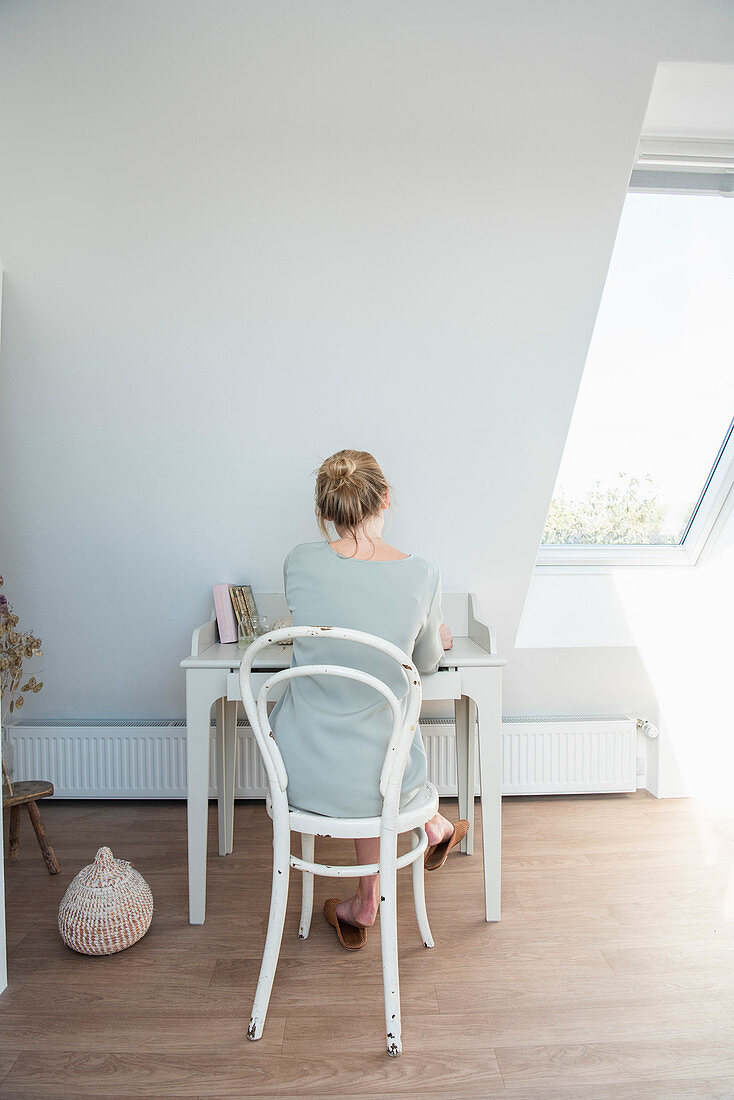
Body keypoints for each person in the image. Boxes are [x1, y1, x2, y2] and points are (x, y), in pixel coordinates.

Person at [269, 449, 469, 949]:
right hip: (380, 777)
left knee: (366, 735)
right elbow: (420, 667)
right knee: (384, 740)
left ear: (326, 510)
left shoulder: (298, 560)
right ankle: (433, 830)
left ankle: (373, 894)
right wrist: (435, 636)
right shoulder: (422, 573)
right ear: (384, 496)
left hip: (298, 773)